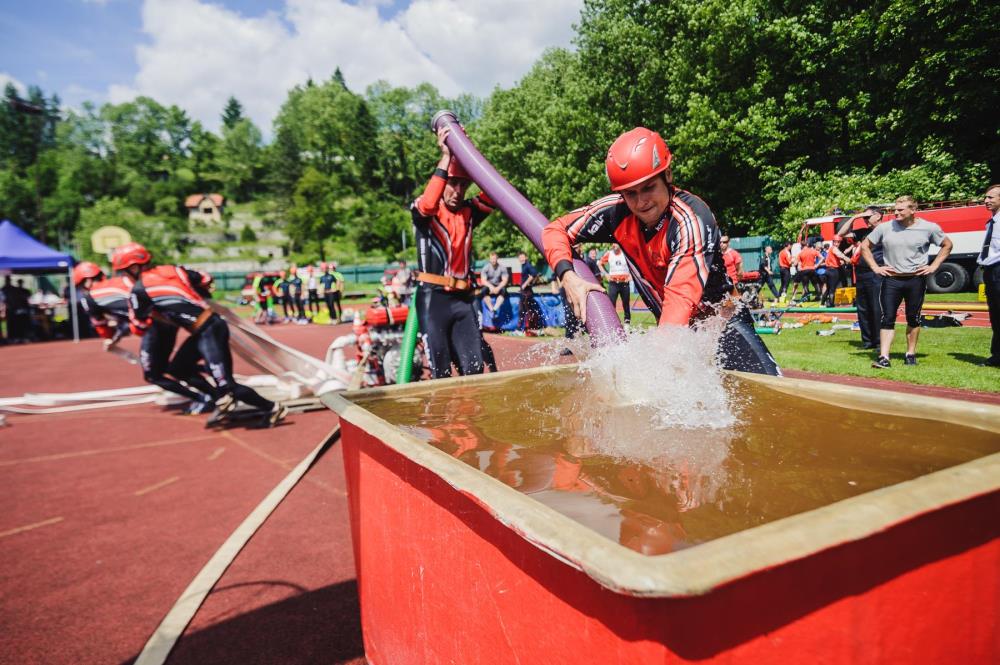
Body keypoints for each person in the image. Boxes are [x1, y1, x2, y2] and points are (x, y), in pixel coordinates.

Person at [542, 126, 778, 375]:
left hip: (721, 325)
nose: (641, 201)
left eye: (648, 187)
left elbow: (678, 304)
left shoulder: (691, 220)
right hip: (674, 329)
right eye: (630, 193)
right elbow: (554, 230)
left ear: (667, 175)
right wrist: (568, 276)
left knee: (770, 398)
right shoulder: (616, 211)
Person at [118, 242, 287, 424]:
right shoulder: (173, 270)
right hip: (207, 327)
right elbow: (205, 278)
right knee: (177, 368)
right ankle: (221, 399)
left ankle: (272, 408)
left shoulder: (138, 290)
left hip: (208, 330)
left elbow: (138, 326)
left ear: (134, 267)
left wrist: (158, 315)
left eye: (124, 271)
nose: (124, 275)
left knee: (227, 384)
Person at [411, 124, 497, 378]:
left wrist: (469, 154)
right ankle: (447, 419)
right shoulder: (426, 212)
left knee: (473, 368)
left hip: (463, 299)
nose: (457, 191)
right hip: (432, 298)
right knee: (441, 371)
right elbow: (427, 204)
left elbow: (494, 192)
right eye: (452, 183)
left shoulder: (469, 212)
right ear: (442, 182)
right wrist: (447, 156)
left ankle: (470, 418)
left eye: (463, 185)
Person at [861, 195, 953, 368]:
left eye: (900, 209)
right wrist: (876, 267)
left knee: (913, 318)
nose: (896, 212)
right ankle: (884, 357)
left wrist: (933, 266)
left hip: (916, 280)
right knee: (887, 318)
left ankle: (910, 354)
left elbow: (947, 245)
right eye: (895, 209)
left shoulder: (929, 228)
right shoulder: (885, 228)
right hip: (891, 280)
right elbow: (865, 246)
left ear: (913, 210)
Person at [844, 206, 885, 350]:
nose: (865, 219)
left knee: (877, 308)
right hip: (861, 273)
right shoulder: (863, 232)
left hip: (877, 272)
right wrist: (855, 217)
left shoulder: (886, 230)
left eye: (868, 217)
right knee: (863, 308)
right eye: (864, 217)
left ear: (878, 216)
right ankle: (868, 341)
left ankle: (880, 342)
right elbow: (842, 233)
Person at [977, 184, 1000, 367]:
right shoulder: (992, 221)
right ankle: (997, 355)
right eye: (986, 197)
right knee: (995, 314)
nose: (986, 201)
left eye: (991, 198)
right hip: (990, 270)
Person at [599, 243, 632, 326]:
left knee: (626, 304)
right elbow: (600, 264)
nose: (613, 245)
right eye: (612, 244)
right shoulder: (609, 254)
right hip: (613, 283)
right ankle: (613, 323)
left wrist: (631, 275)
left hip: (624, 283)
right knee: (612, 304)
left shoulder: (625, 253)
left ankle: (627, 325)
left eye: (615, 243)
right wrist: (605, 274)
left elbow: (634, 264)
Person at [517, 251, 542, 334]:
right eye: (520, 257)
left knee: (525, 310)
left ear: (526, 257)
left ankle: (525, 329)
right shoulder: (523, 266)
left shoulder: (528, 265)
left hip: (527, 292)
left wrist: (524, 285)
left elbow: (533, 274)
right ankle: (525, 329)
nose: (521, 258)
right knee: (524, 310)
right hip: (524, 292)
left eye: (523, 257)